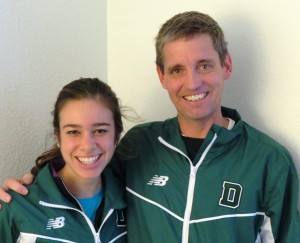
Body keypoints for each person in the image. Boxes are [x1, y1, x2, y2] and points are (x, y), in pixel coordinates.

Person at [1, 11, 299, 242]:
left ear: (227, 65)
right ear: (162, 76)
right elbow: (86, 167)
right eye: (177, 69)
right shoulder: (140, 144)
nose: (193, 82)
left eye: (204, 65)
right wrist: (26, 190)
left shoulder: (269, 160)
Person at [0, 78, 127, 242]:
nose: (87, 145)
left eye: (100, 130)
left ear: (116, 135)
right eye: (73, 132)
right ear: (58, 136)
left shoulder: (132, 196)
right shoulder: (17, 206)